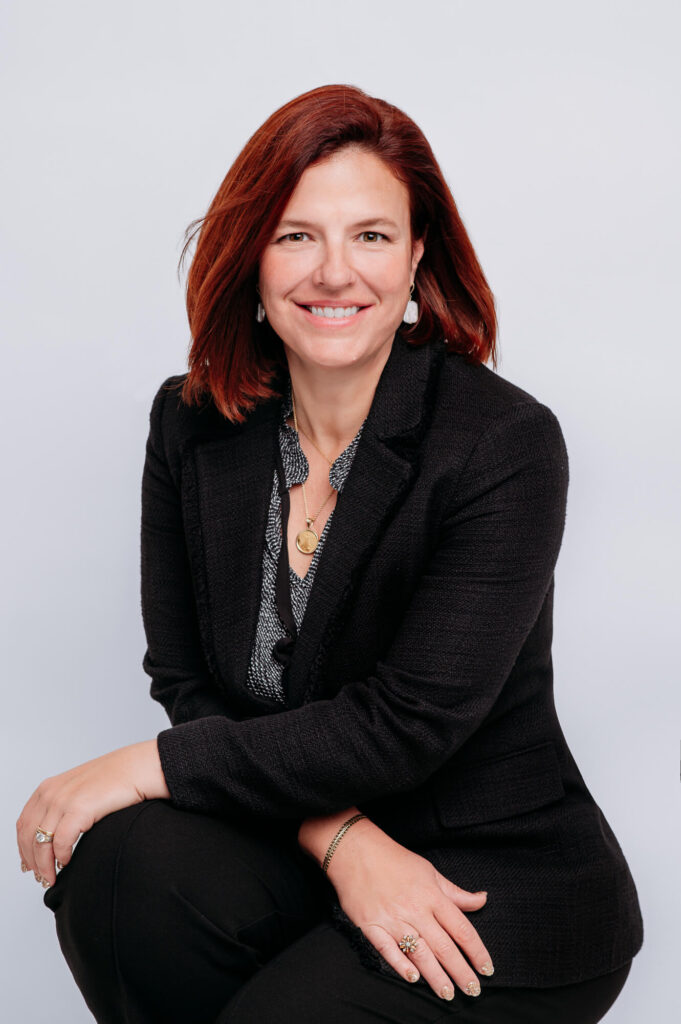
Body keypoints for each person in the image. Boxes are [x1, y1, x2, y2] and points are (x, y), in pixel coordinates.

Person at [18, 84, 643, 1023]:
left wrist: (143, 765)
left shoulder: (501, 444)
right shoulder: (191, 425)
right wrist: (341, 839)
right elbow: (189, 678)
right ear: (253, 258)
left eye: (372, 236)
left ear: (419, 255)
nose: (334, 272)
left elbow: (405, 723)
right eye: (296, 234)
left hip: (488, 878)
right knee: (120, 874)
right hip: (298, 842)